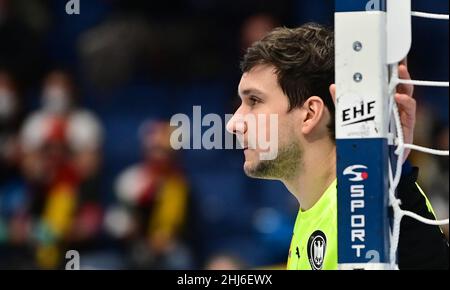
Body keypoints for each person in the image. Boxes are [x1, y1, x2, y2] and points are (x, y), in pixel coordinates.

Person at [226, 23, 449, 270]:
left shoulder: (365, 202)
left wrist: (393, 180)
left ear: (310, 114)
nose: (234, 123)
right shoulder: (312, 209)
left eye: (254, 101)